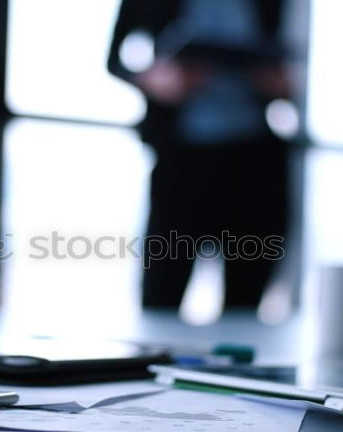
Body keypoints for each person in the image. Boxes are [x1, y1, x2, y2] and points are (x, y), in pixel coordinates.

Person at [108, 0, 293, 312]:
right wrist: (156, 80)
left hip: (254, 161)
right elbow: (115, 60)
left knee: (245, 298)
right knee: (162, 291)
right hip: (182, 158)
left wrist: (278, 82)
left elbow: (278, 58)